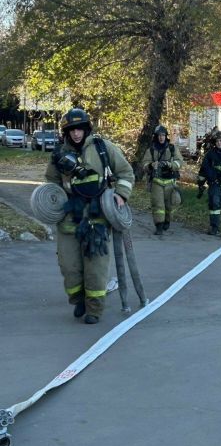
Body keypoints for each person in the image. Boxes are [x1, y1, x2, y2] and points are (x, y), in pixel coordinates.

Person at [45, 108, 134, 324]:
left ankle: (94, 309)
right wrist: (51, 203)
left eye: (80, 129)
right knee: (69, 267)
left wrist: (121, 195)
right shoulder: (58, 154)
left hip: (97, 217)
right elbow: (51, 184)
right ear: (66, 132)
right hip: (69, 218)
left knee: (96, 267)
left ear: (87, 129)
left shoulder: (103, 148)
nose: (76, 133)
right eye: (72, 130)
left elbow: (126, 172)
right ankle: (78, 300)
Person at [142, 125, 183, 236]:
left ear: (166, 136)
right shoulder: (151, 150)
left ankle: (167, 221)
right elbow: (144, 164)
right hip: (157, 181)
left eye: (163, 135)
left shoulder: (172, 148)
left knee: (169, 205)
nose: (161, 138)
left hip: (170, 182)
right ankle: (159, 226)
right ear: (156, 137)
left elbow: (180, 161)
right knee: (158, 205)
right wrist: (151, 165)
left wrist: (171, 165)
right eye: (159, 135)